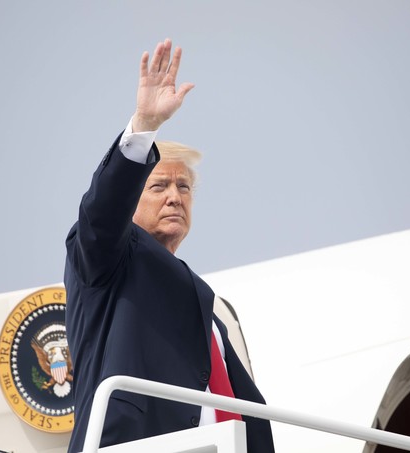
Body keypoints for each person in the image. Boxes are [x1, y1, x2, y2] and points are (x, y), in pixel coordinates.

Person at [64, 38, 274, 453]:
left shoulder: (208, 313)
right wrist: (143, 125)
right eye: (158, 185)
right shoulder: (106, 259)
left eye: (184, 187)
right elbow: (102, 213)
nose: (175, 196)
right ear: (132, 198)